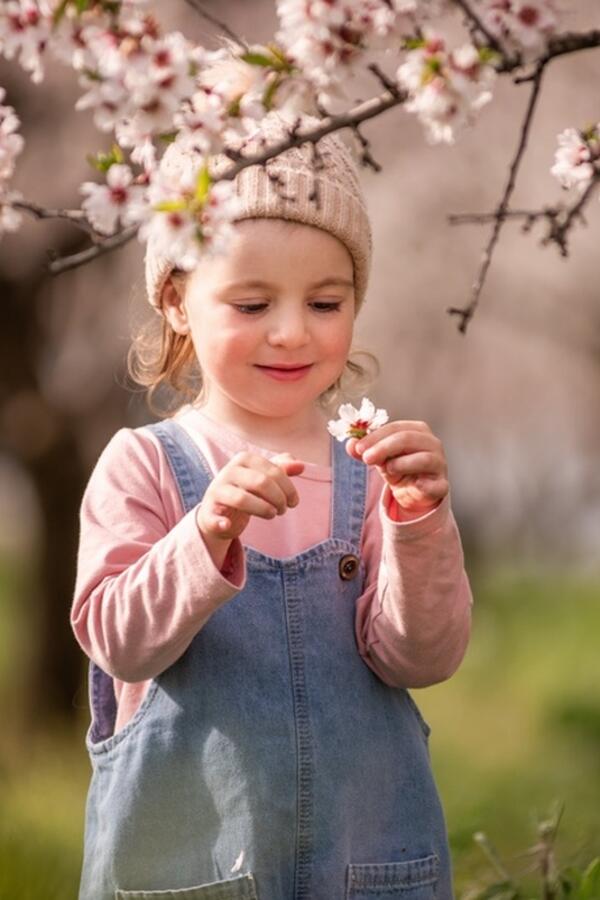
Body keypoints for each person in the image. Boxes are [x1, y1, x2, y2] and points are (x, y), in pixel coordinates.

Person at [71, 104, 473, 900]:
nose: (292, 333)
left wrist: (418, 521)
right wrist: (204, 532)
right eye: (252, 306)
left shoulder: (367, 475)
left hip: (368, 869)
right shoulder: (144, 465)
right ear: (179, 303)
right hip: (192, 873)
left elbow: (421, 658)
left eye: (325, 304)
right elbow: (119, 644)